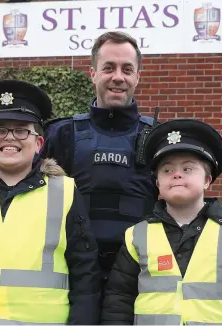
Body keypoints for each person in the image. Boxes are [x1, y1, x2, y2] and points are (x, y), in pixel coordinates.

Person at [0, 80, 101, 325]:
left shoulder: (64, 191)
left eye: (22, 130)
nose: (10, 137)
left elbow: (85, 275)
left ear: (38, 143)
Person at [101, 118, 222, 325]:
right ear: (157, 183)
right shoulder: (136, 236)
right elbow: (118, 301)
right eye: (167, 170)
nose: (176, 175)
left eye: (188, 169)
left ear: (207, 180)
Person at [40, 32, 159, 284]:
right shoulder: (63, 133)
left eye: (127, 69)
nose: (118, 76)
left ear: (138, 77)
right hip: (74, 273)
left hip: (140, 273)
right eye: (108, 68)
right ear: (92, 73)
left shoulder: (158, 136)